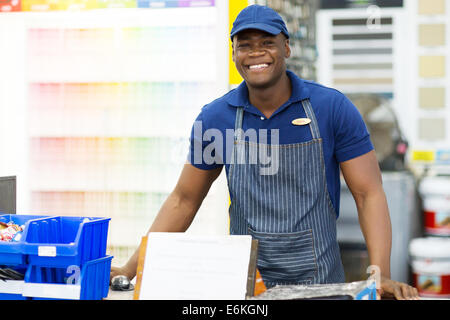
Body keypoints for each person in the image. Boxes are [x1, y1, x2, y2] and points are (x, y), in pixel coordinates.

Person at [111, 4, 419, 300]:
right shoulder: (216, 118)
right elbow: (184, 200)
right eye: (244, 45)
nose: (256, 53)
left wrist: (380, 273)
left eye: (267, 42)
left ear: (286, 47)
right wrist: (131, 268)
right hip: (246, 287)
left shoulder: (331, 109)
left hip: (320, 285)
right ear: (234, 53)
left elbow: (369, 194)